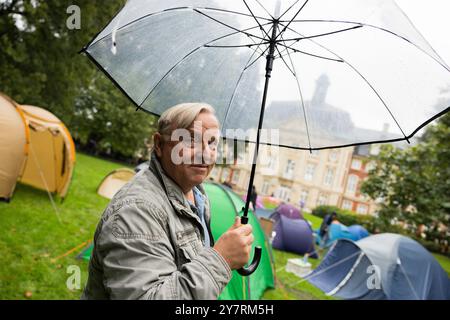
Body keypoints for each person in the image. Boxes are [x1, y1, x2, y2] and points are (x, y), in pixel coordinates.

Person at [81, 103, 254, 300]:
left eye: (212, 143)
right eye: (191, 140)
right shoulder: (136, 211)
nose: (205, 153)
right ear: (159, 144)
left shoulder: (196, 195)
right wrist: (221, 259)